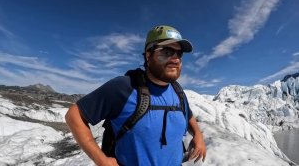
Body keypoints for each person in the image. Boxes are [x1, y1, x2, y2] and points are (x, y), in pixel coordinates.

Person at [65, 25, 206, 166]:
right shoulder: (124, 87)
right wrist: (102, 161)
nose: (175, 59)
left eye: (179, 54)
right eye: (167, 51)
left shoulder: (178, 91)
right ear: (148, 54)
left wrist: (198, 135)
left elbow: (188, 116)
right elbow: (74, 115)